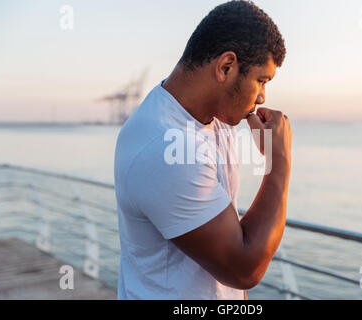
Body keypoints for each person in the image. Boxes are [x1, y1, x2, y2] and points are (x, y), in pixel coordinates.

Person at [114, 0, 291, 299]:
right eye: (261, 80)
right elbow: (244, 268)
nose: (262, 97)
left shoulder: (217, 120)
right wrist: (280, 162)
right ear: (226, 67)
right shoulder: (164, 144)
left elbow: (230, 243)